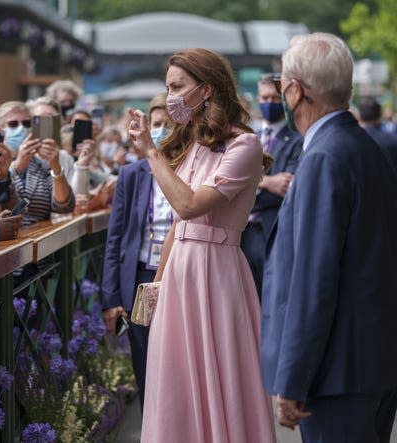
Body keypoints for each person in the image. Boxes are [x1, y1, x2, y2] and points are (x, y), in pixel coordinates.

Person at [128, 48, 275, 442]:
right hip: (181, 272)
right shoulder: (197, 144)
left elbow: (189, 205)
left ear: (206, 88)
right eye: (168, 87)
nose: (172, 95)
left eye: (178, 86)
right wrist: (158, 286)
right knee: (175, 378)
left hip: (218, 270)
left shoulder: (244, 146)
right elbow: (179, 226)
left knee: (222, 373)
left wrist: (151, 153)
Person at [262, 33, 397, 442]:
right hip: (370, 360)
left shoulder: (324, 156)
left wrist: (294, 378)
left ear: (295, 90)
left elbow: (312, 280)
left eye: (282, 84)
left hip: (336, 372)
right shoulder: (363, 146)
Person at [101, 93, 173, 410]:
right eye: (155, 124)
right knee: (145, 364)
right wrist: (112, 297)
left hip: (179, 274)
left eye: (167, 125)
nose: (159, 131)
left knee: (179, 364)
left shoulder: (194, 169)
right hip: (141, 278)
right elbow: (115, 238)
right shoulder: (132, 174)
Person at [241, 73, 302, 298]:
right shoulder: (249, 137)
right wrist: (266, 181)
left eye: (275, 99)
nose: (269, 103)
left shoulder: (297, 139)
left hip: (273, 229)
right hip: (243, 233)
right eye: (265, 98)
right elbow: (231, 184)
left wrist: (248, 185)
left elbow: (287, 187)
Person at [0, 100, 75, 226]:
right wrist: (16, 167)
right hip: (3, 239)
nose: (21, 128)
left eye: (27, 123)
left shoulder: (40, 164)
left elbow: (63, 206)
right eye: (13, 124)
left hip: (38, 239)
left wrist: (55, 166)